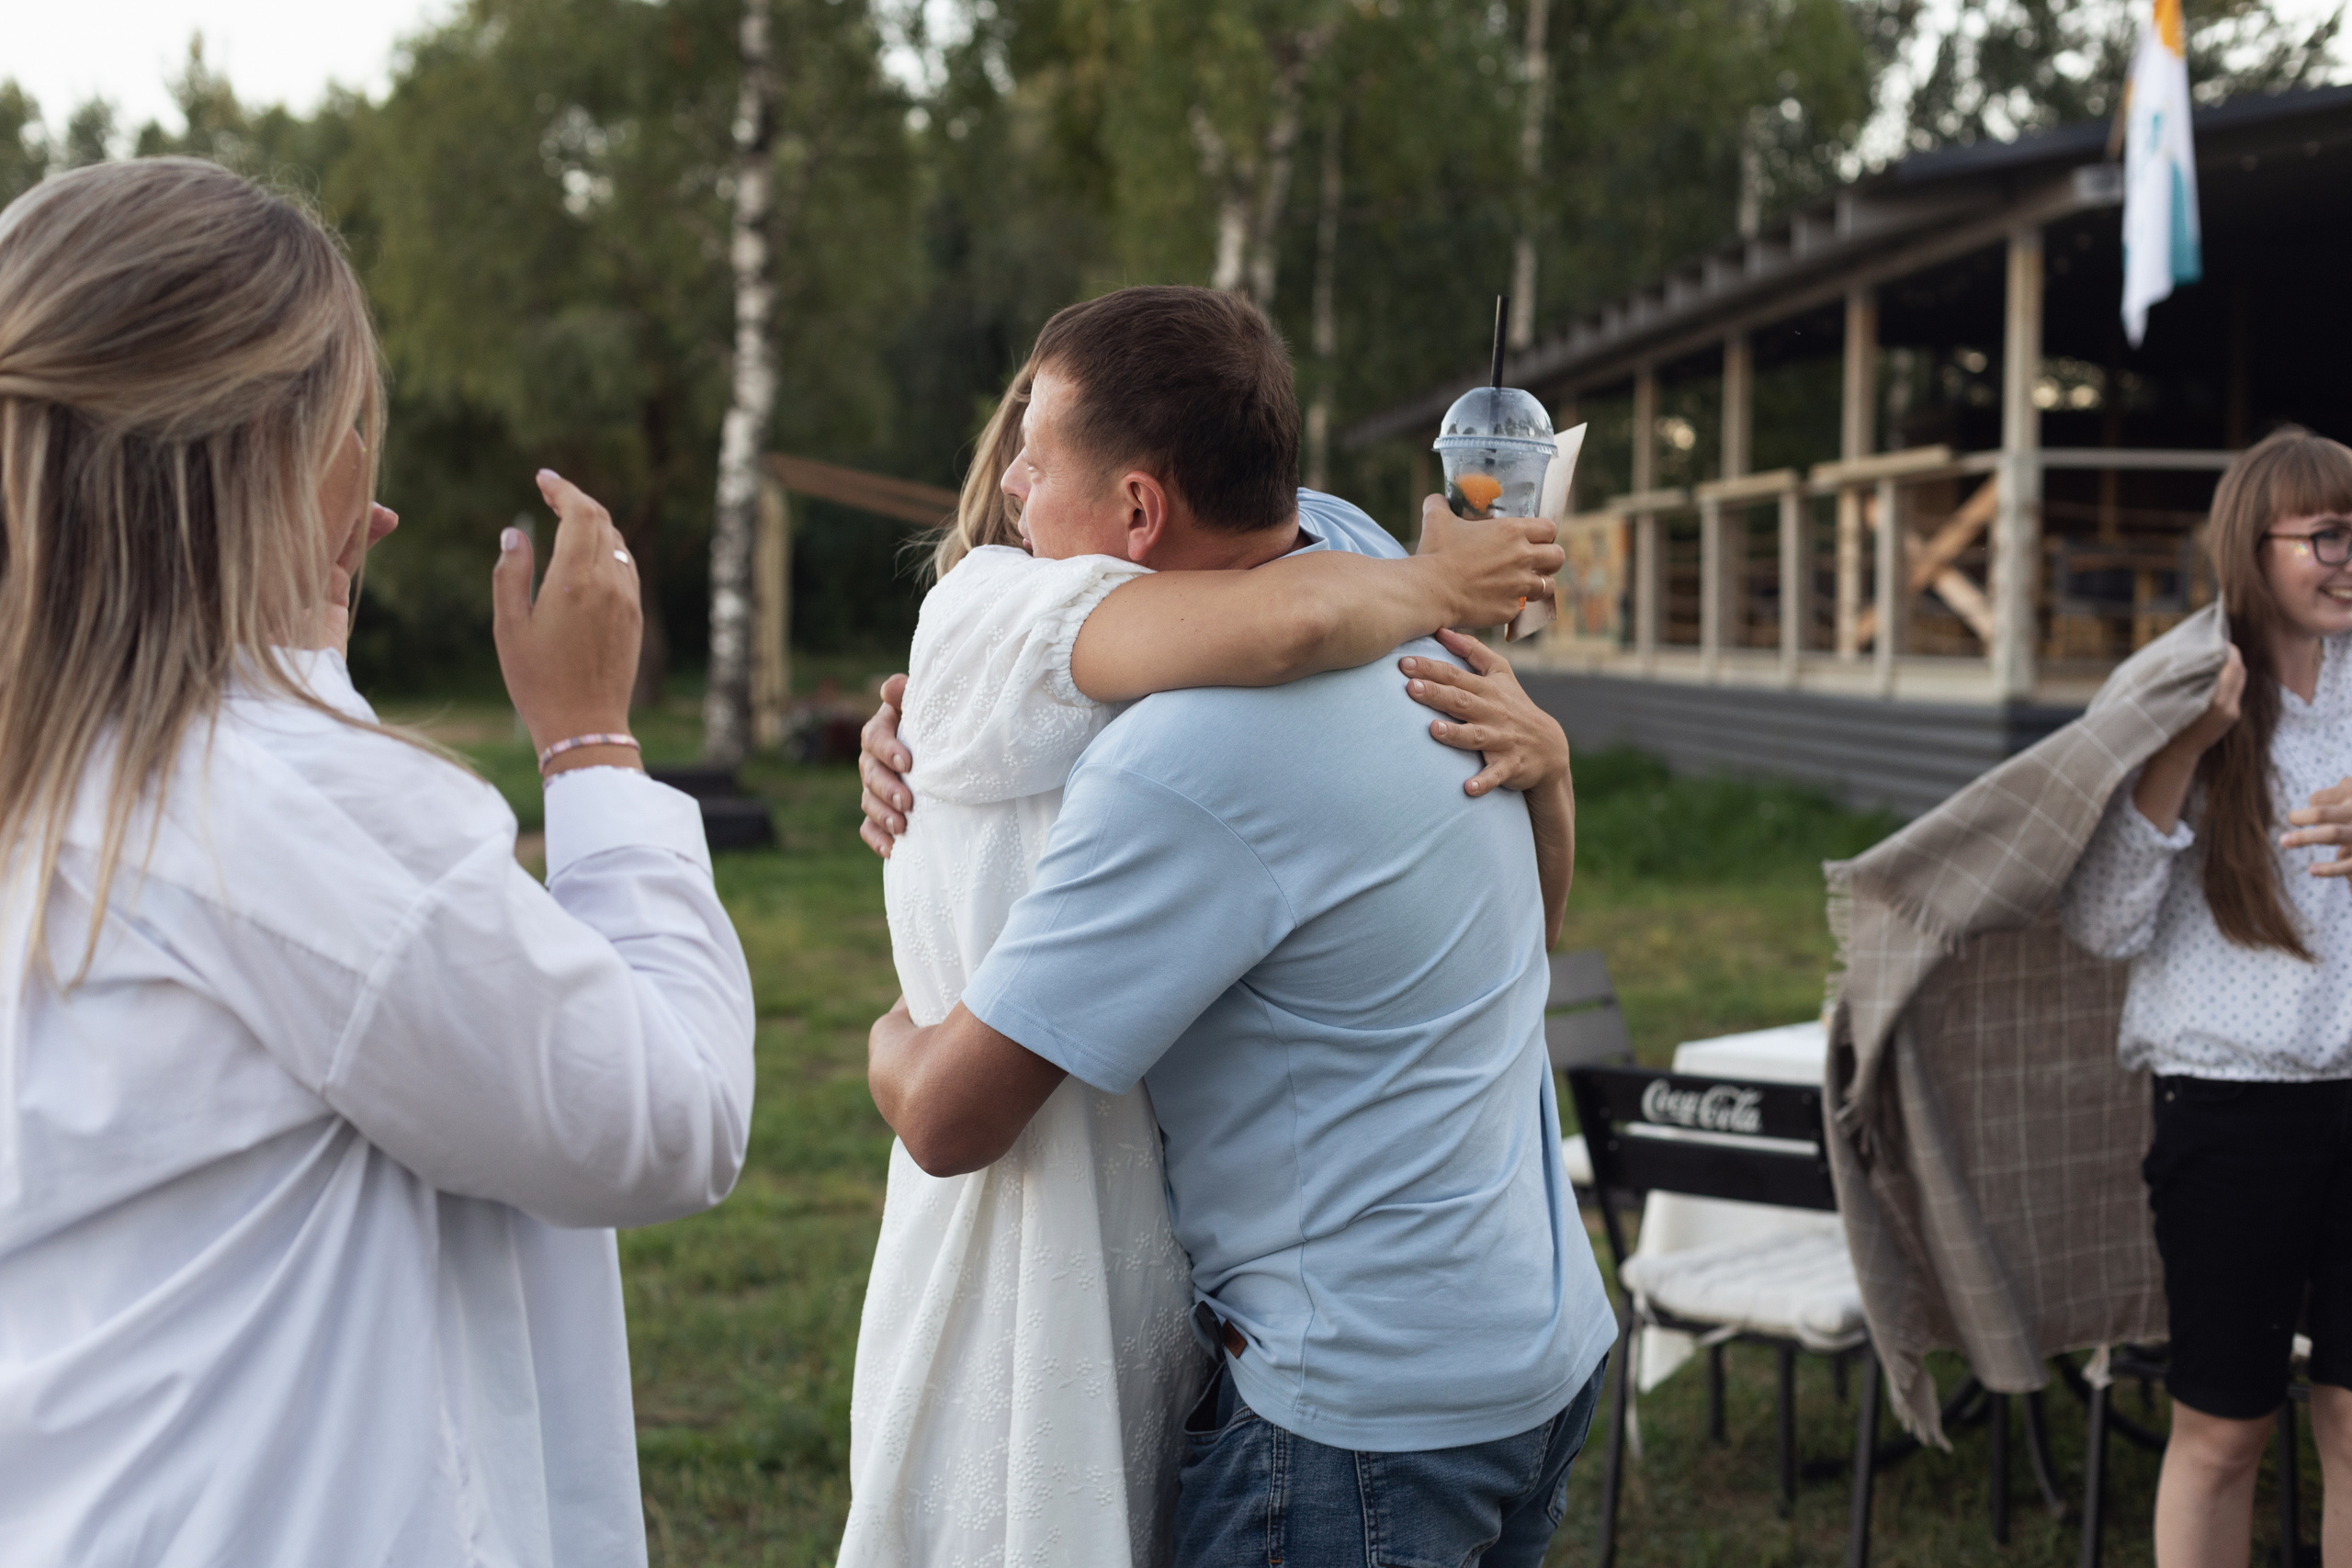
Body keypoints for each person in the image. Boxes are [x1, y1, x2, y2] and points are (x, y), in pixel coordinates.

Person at [0, 159, 755, 1566]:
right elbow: (668, 1113)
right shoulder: (291, 807)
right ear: (282, 454)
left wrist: (298, 668)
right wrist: (591, 742)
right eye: (357, 424)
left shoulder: (63, 771)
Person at [858, 285, 1615, 1568]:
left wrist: (892, 1025)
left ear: (1142, 510)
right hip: (1537, 1350)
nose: (1011, 498)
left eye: (1034, 461)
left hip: (1360, 1429)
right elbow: (1519, 950)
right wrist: (1555, 774)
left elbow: (950, 1118)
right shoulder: (1368, 561)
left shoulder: (1182, 766)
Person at [2061, 427, 2352, 1567]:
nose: (2347, 556)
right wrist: (2185, 749)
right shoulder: (2171, 686)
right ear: (2253, 546)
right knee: (2224, 1431)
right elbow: (2099, 924)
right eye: (2324, 534)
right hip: (2229, 1112)